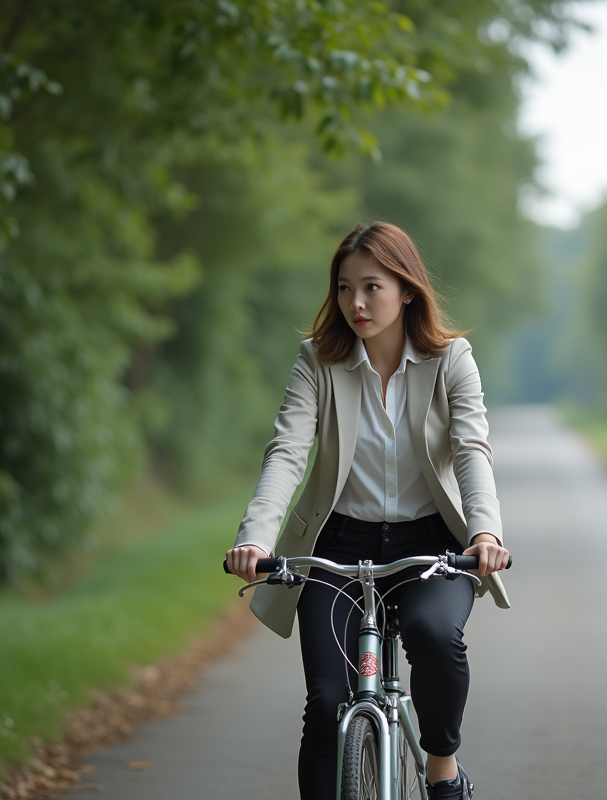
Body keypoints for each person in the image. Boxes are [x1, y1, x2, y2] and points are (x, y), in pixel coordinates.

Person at [225, 221, 510, 800]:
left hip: (431, 545)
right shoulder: (317, 362)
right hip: (338, 547)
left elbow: (471, 450)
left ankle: (441, 770)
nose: (356, 302)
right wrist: (256, 539)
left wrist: (483, 533)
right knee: (328, 703)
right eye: (344, 287)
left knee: (434, 634)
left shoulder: (451, 359)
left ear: (406, 290)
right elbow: (287, 453)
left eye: (372, 286)